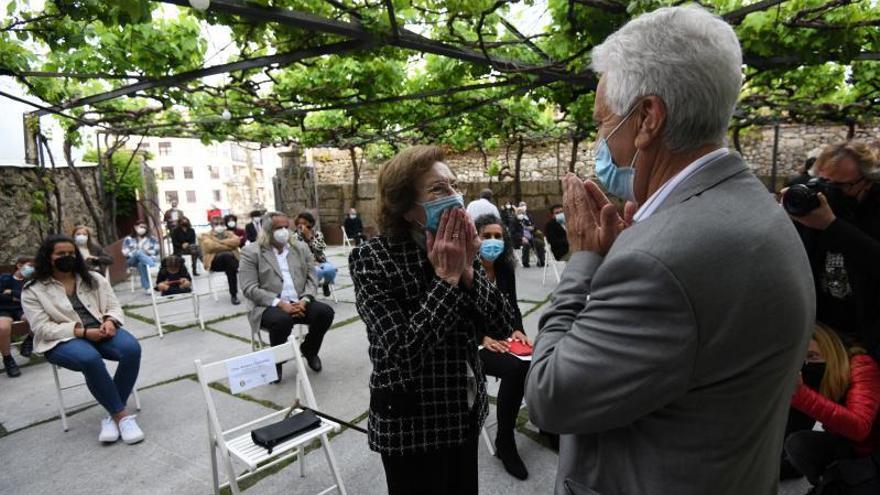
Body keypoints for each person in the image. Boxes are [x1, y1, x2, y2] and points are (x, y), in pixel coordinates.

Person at [525, 7, 815, 495]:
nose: (601, 142)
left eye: (603, 123)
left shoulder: (658, 261)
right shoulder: (759, 212)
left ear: (647, 118)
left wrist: (584, 262)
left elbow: (549, 397)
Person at [349, 145, 516, 495]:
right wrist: (446, 279)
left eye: (454, 186)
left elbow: (503, 325)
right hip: (410, 425)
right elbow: (403, 353)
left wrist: (468, 271)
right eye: (438, 190)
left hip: (464, 413)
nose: (454, 198)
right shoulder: (373, 259)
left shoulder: (462, 247)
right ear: (408, 208)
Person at [21, 235, 143, 444]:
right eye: (61, 254)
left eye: (71, 253)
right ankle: (121, 417)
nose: (67, 257)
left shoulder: (93, 278)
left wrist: (110, 321)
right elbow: (41, 328)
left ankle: (112, 417)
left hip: (100, 330)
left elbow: (113, 306)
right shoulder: (33, 289)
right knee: (89, 359)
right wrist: (82, 332)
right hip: (61, 340)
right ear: (48, 257)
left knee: (131, 349)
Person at [784, 140, 880, 357]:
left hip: (868, 334)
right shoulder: (812, 206)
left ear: (866, 181)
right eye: (823, 183)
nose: (829, 192)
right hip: (822, 332)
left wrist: (832, 226)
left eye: (840, 186)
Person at [784, 323, 880, 486]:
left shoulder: (860, 365)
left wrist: (801, 395)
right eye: (804, 360)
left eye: (813, 356)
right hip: (849, 447)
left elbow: (859, 427)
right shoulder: (818, 373)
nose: (808, 364)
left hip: (873, 451)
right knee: (797, 444)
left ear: (830, 348)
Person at [239, 212, 335, 374]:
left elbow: (312, 278)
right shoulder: (251, 252)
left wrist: (305, 299)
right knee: (282, 321)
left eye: (286, 227)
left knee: (325, 313)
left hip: (299, 301)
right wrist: (280, 304)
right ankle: (276, 361)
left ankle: (309, 350)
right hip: (267, 306)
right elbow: (249, 288)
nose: (284, 231)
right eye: (278, 228)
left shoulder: (300, 247)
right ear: (267, 230)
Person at [474, 214, 532, 480]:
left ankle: (548, 425)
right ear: (475, 238)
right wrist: (480, 337)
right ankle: (505, 442)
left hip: (504, 336)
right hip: (472, 342)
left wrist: (517, 329)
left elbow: (513, 306)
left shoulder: (505, 268)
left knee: (539, 359)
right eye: (487, 236)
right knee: (515, 369)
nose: (493, 242)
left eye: (498, 236)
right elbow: (460, 311)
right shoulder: (466, 268)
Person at [1, 256, 35, 377]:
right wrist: (18, 296)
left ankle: (29, 341)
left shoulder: (30, 282)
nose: (32, 269)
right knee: (3, 328)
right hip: (4, 310)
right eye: (30, 266)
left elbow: (31, 297)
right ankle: (8, 359)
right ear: (19, 265)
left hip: (22, 309)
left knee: (35, 318)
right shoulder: (5, 278)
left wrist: (11, 293)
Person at [200, 215, 241, 305]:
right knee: (227, 256)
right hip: (214, 263)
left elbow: (237, 241)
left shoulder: (229, 233)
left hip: (229, 263)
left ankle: (233, 295)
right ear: (212, 225)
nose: (219, 226)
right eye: (216, 224)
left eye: (221, 223)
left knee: (230, 266)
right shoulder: (205, 235)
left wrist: (218, 242)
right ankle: (239, 269)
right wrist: (228, 245)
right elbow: (210, 246)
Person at [294, 212, 337, 297]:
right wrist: (312, 262)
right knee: (318, 272)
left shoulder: (318, 234)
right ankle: (311, 290)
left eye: (304, 223)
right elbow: (298, 252)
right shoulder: (295, 236)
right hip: (306, 263)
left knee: (330, 270)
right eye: (300, 224)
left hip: (320, 260)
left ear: (311, 223)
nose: (302, 226)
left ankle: (326, 284)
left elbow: (321, 248)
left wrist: (310, 237)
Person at [122, 221, 158, 295]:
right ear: (135, 227)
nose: (143, 229)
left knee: (141, 264)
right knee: (138, 253)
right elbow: (125, 252)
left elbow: (156, 250)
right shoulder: (128, 239)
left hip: (145, 260)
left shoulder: (151, 238)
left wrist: (147, 252)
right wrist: (139, 253)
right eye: (141, 227)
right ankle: (152, 265)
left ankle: (147, 288)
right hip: (132, 260)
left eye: (144, 227)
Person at [513, 203, 545, 268]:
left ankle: (541, 261)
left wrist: (532, 228)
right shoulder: (514, 221)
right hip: (520, 239)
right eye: (519, 213)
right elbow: (513, 232)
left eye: (522, 213)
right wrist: (522, 237)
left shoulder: (525, 219)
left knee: (540, 243)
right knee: (526, 244)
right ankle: (525, 262)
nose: (521, 214)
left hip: (531, 238)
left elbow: (533, 226)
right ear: (516, 213)